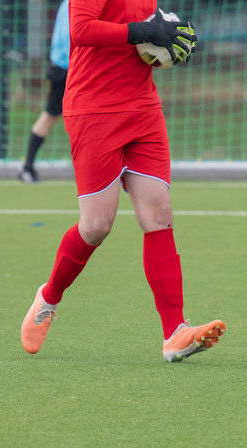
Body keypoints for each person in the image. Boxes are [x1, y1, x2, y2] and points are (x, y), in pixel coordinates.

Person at [20, 1, 221, 362]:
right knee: (96, 226)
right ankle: (48, 298)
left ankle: (175, 333)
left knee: (159, 216)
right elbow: (82, 31)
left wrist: (167, 50)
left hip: (143, 108)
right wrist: (144, 33)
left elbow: (140, 45)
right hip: (93, 110)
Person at [19, 0, 71, 184]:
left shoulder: (66, 4)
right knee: (51, 115)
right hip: (68, 69)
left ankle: (27, 166)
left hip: (61, 67)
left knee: (52, 115)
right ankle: (27, 166)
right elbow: (71, 37)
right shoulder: (76, 5)